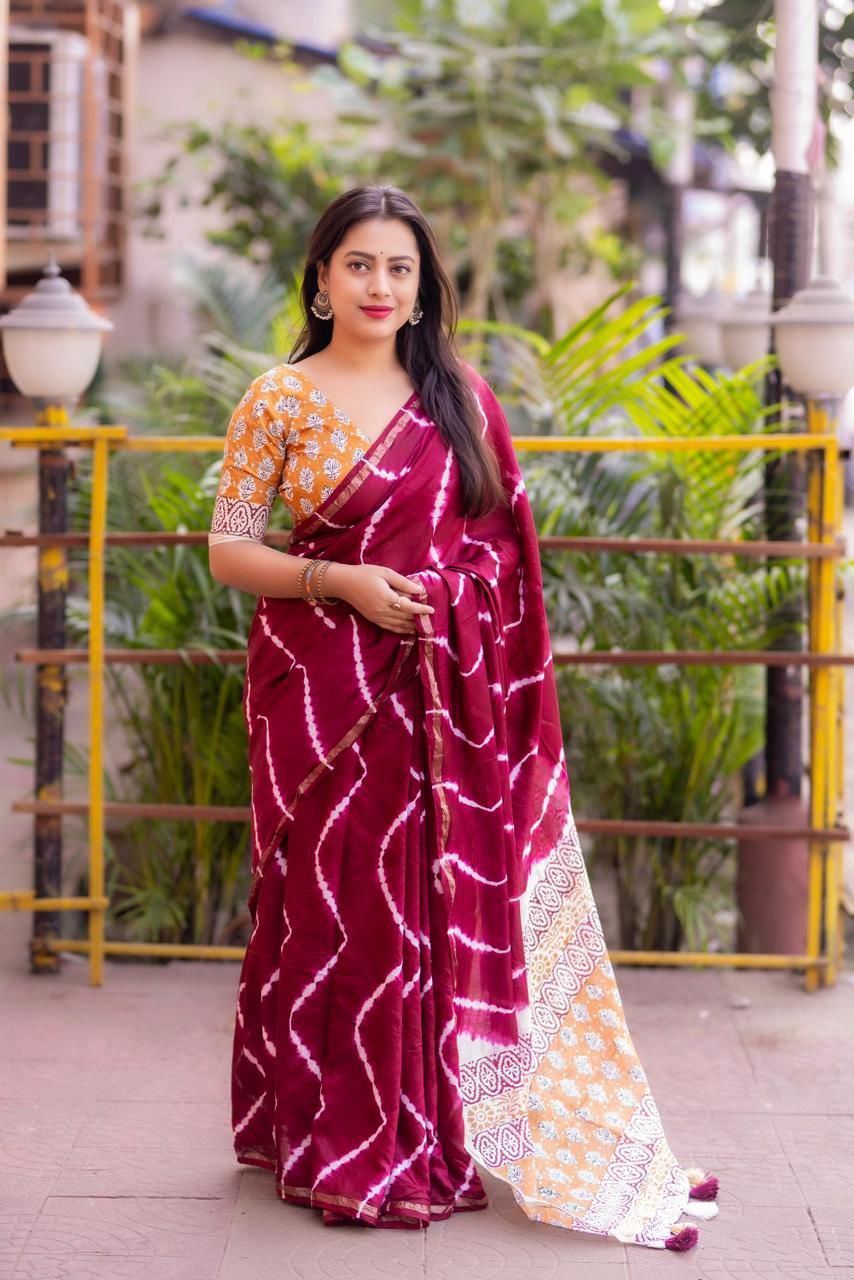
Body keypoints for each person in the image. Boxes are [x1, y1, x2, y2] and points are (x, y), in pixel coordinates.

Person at [208, 184, 719, 1248]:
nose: (379, 285)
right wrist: (340, 582)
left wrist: (442, 599)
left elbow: (499, 559)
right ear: (320, 278)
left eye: (399, 268)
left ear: (423, 286)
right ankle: (328, 1140)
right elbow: (229, 549)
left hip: (441, 693)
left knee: (417, 917)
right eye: (359, 264)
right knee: (333, 907)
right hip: (321, 692)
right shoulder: (278, 398)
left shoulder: (459, 400)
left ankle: (419, 1135)